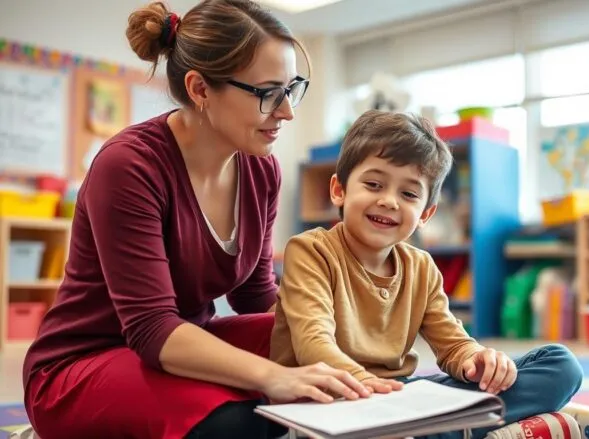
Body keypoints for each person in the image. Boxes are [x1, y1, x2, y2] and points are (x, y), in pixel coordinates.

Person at [21, 1, 371, 438]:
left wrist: (333, 331)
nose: (287, 112)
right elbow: (152, 329)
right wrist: (272, 377)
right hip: (84, 364)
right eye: (268, 93)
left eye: (292, 88)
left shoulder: (261, 169)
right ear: (200, 89)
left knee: (332, 352)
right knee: (238, 421)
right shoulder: (128, 166)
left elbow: (255, 294)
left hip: (178, 344)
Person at [270, 109, 584, 438]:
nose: (389, 201)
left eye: (408, 194)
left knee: (560, 364)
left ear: (426, 213)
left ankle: (439, 428)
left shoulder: (421, 266)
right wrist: (367, 386)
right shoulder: (310, 250)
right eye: (374, 184)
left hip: (399, 399)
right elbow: (313, 345)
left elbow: (453, 345)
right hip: (326, 401)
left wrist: (478, 360)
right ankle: (465, 427)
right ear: (339, 190)